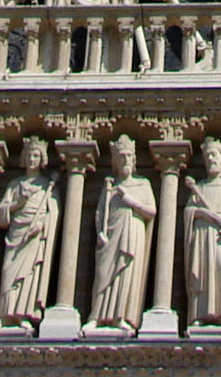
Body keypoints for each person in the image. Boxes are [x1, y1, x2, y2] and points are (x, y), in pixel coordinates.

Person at [86, 137, 156, 333]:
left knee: (127, 273)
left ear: (134, 160)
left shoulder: (143, 184)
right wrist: (100, 232)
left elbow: (151, 211)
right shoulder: (109, 187)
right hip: (110, 234)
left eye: (128, 156)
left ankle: (121, 316)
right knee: (103, 273)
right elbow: (100, 212)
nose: (125, 160)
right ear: (115, 161)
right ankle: (97, 316)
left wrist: (131, 202)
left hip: (132, 232)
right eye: (121, 157)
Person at [0, 138, 60, 328]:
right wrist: (17, 204)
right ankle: (5, 316)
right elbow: (2, 212)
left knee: (29, 274)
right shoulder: (15, 184)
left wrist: (42, 225)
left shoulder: (46, 186)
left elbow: (53, 213)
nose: (32, 159)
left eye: (36, 155)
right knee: (9, 272)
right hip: (16, 235)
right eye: (29, 155)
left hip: (34, 236)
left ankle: (22, 315)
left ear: (42, 159)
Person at [182, 138, 221, 328]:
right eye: (207, 156)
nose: (210, 159)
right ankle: (199, 314)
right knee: (202, 272)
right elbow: (189, 211)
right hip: (202, 234)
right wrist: (205, 214)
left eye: (214, 155)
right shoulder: (199, 188)